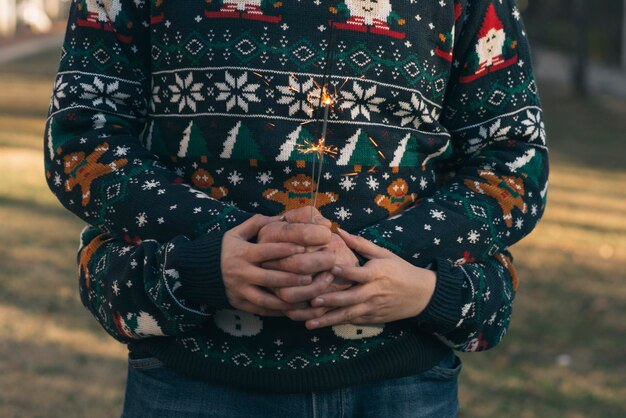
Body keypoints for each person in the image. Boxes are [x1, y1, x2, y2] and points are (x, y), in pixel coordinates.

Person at [44, 0, 548, 416]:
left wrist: (367, 257)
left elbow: (512, 156)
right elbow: (82, 135)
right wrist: (231, 244)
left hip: (402, 376)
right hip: (190, 371)